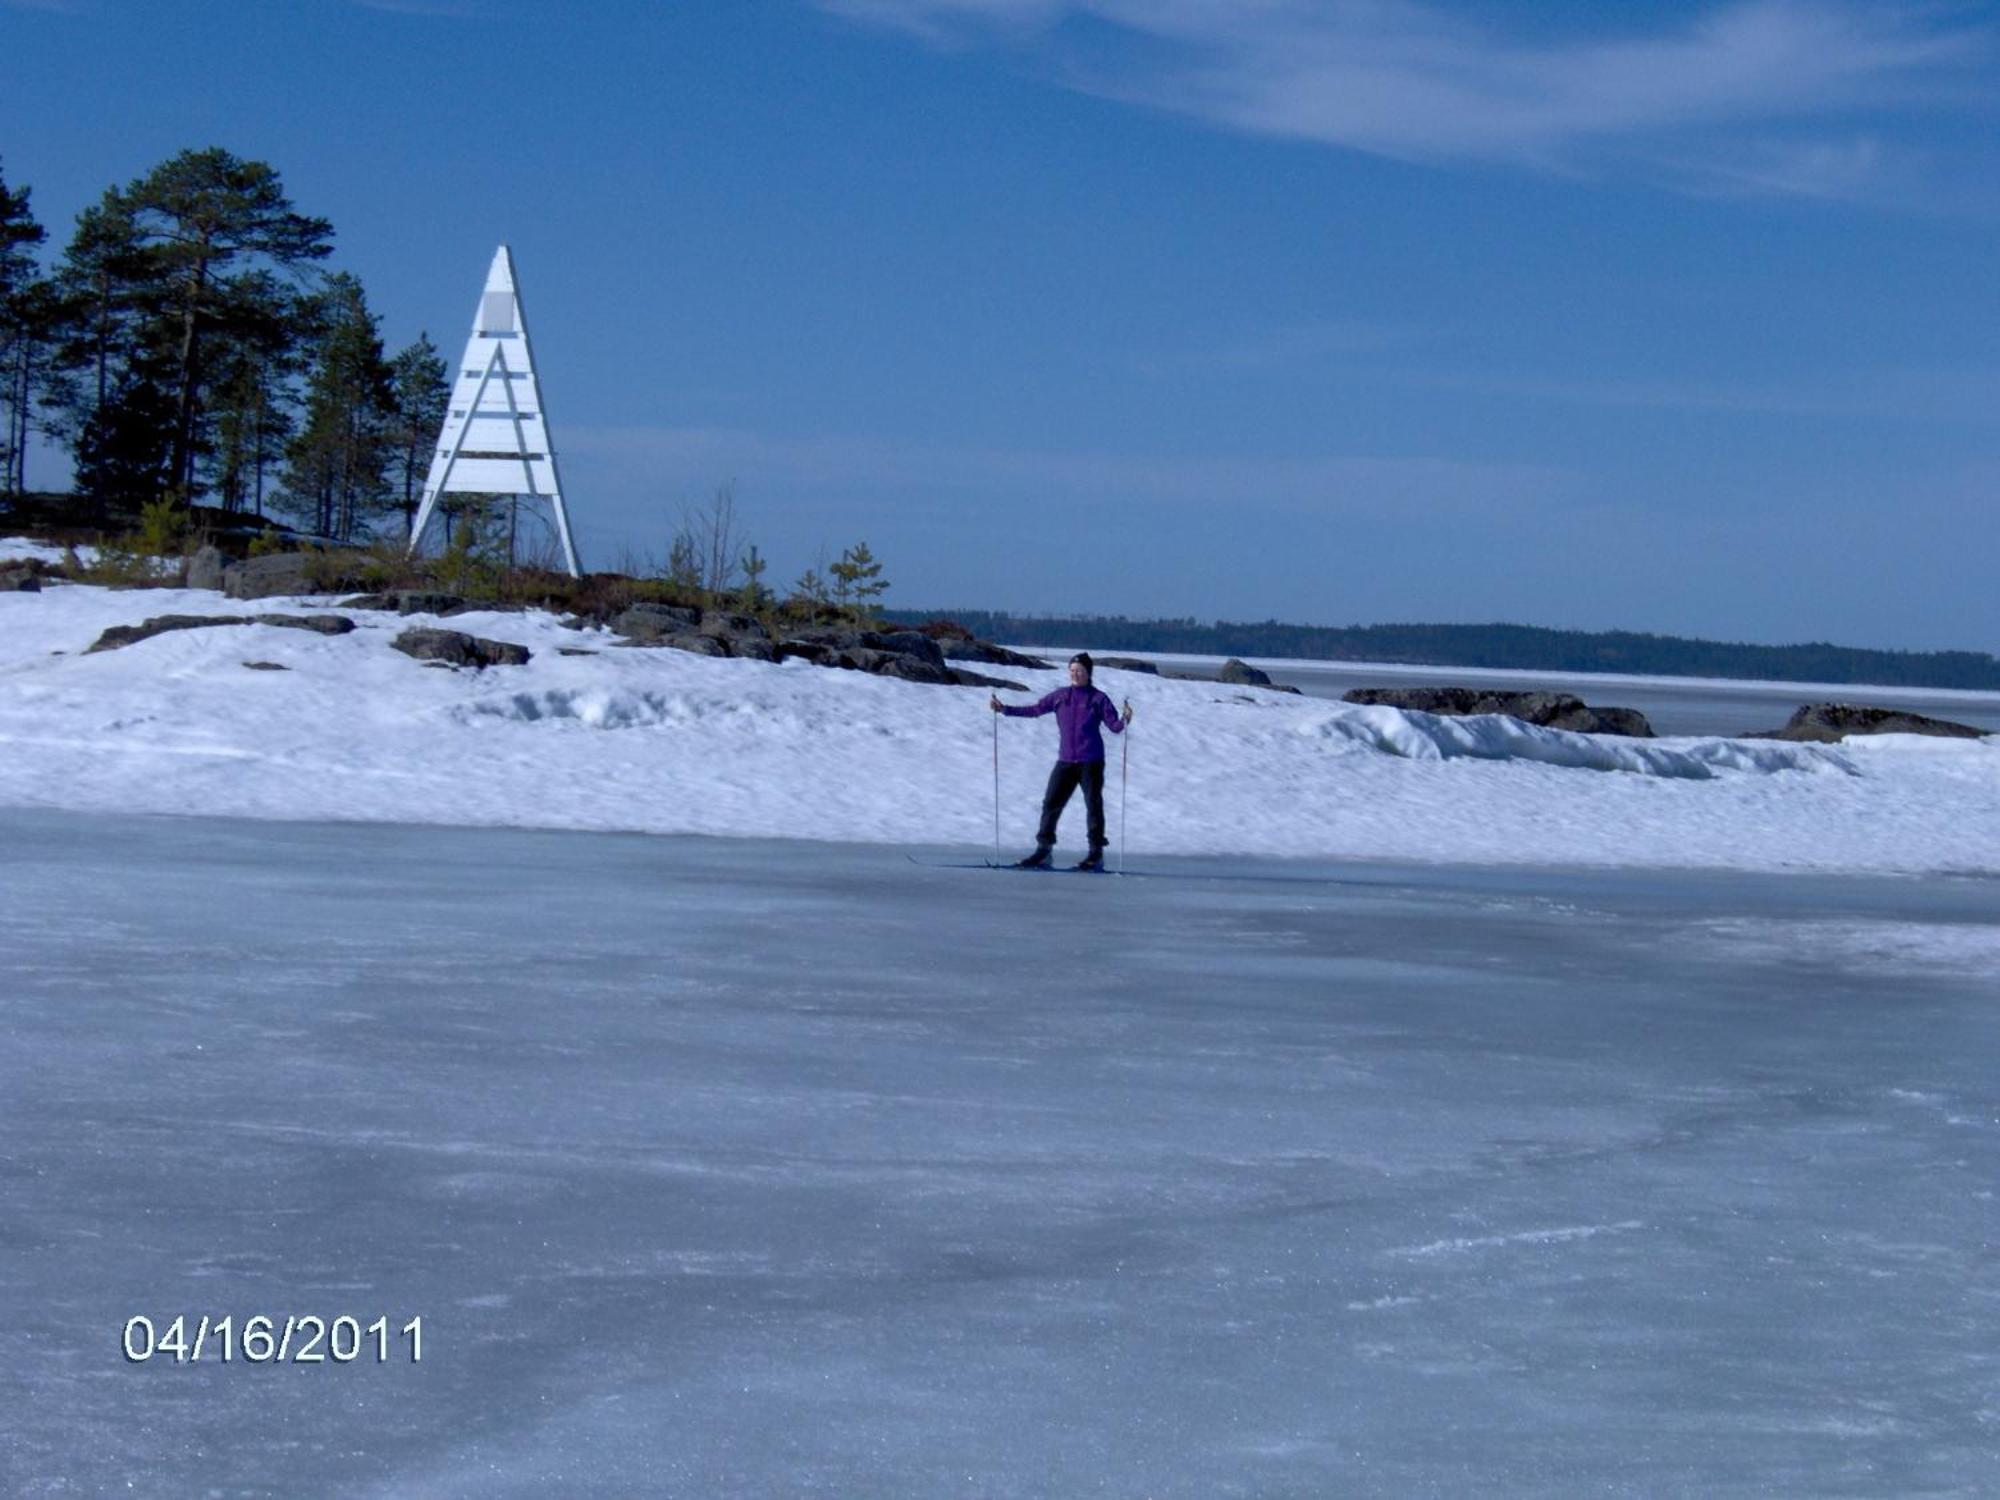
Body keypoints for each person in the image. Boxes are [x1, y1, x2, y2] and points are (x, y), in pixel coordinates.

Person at [990, 652, 1133, 871]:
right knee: (1050, 803)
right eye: (1072, 670)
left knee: (1093, 806)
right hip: (1066, 760)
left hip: (1091, 761)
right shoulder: (1060, 696)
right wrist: (1004, 709)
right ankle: (1044, 851)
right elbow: (1036, 709)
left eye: (1080, 671)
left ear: (1088, 673)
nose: (1075, 674)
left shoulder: (1098, 698)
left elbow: (1114, 726)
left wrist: (1125, 719)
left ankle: (1096, 854)